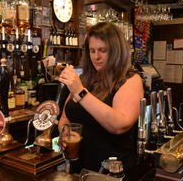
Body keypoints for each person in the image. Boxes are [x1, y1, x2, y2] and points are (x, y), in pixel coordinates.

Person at [58, 22, 144, 180]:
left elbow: (120, 125)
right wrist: (64, 131)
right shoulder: (85, 79)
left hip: (110, 173)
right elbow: (65, 117)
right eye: (92, 51)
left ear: (116, 51)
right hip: (78, 169)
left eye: (102, 51)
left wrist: (80, 92)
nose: (96, 57)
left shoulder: (130, 80)